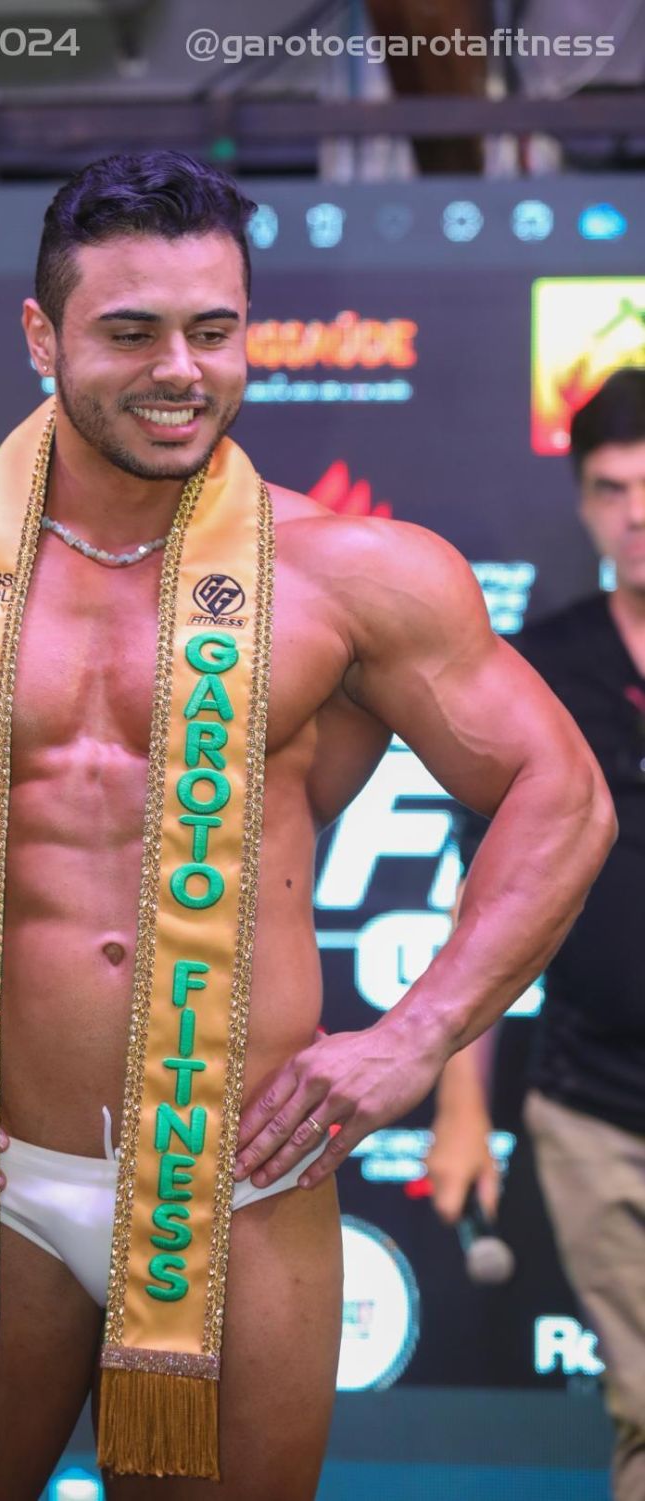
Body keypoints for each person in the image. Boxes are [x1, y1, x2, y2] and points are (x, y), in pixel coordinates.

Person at [0, 152, 616, 1501]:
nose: (180, 369)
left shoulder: (351, 575)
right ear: (41, 335)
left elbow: (560, 796)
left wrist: (414, 1036)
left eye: (214, 330)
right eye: (131, 331)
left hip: (239, 1190)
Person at [428, 367, 645, 1501]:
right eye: (611, 489)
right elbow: (485, 903)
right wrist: (462, 1107)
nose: (637, 514)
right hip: (592, 1107)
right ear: (580, 502)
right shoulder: (541, 669)